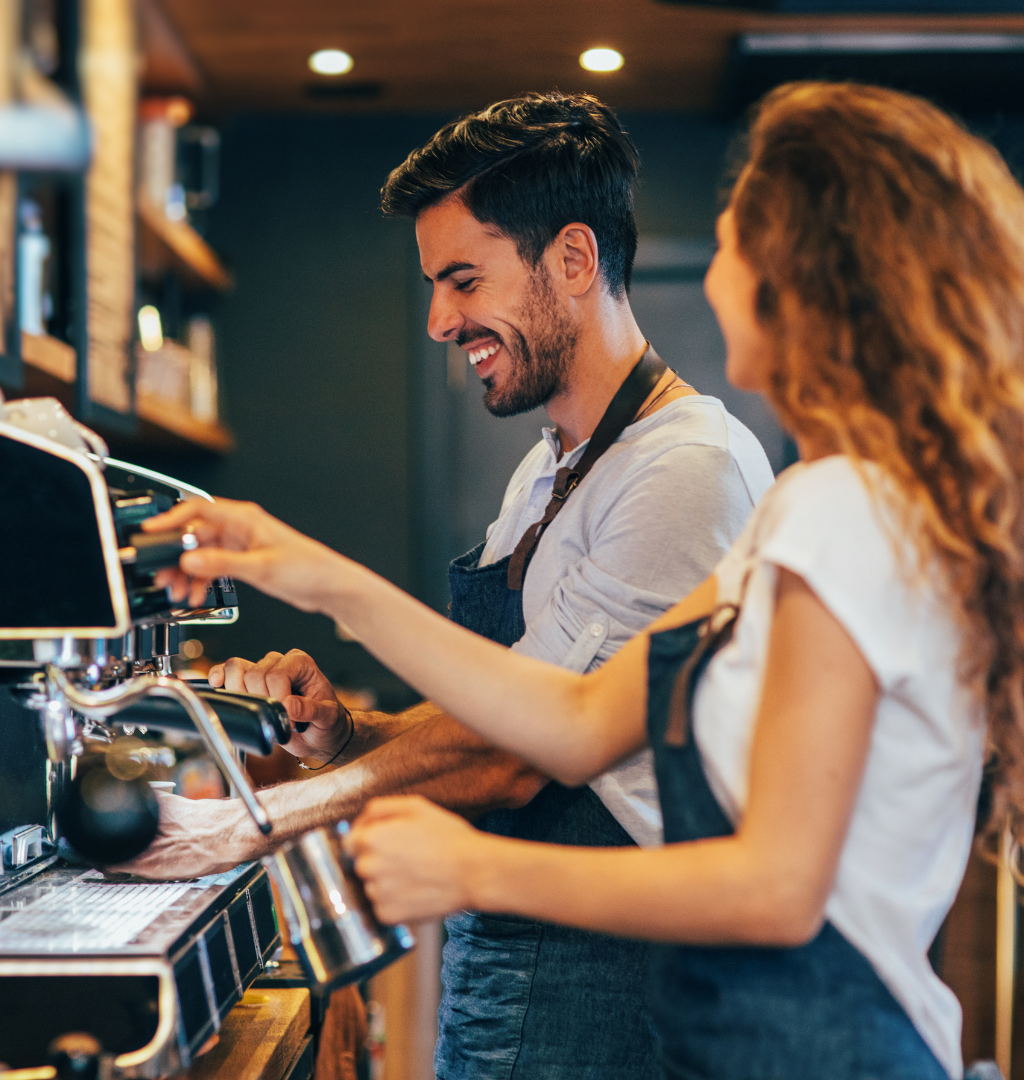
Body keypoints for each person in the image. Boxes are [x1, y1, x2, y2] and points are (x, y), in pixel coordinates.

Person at [140, 81, 1024, 1080]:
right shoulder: (805, 507)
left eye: (732, 242)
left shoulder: (837, 512)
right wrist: (309, 575)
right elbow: (574, 719)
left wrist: (477, 865)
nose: (712, 266)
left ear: (808, 277)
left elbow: (780, 886)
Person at [123, 92, 774, 1079]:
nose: (438, 320)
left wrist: (247, 824)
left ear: (572, 260)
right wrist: (349, 737)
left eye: (463, 279)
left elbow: (532, 756)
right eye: (433, 284)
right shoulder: (549, 468)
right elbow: (513, 708)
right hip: (510, 952)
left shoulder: (687, 468)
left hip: (607, 980)